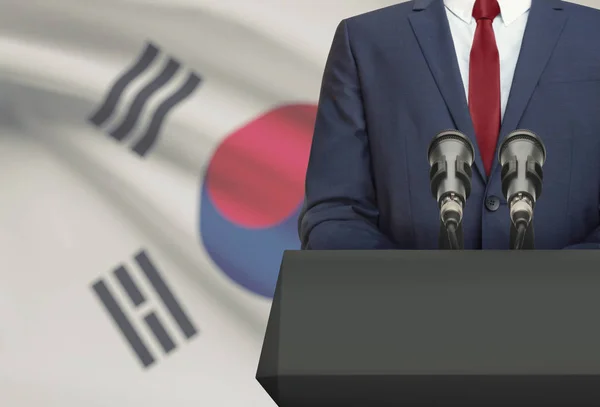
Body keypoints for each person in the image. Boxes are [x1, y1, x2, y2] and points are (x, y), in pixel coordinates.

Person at [298, 0, 600, 250]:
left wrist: (560, 285)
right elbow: (335, 212)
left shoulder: (592, 34)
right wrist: (411, 290)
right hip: (403, 314)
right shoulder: (366, 40)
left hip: (572, 313)